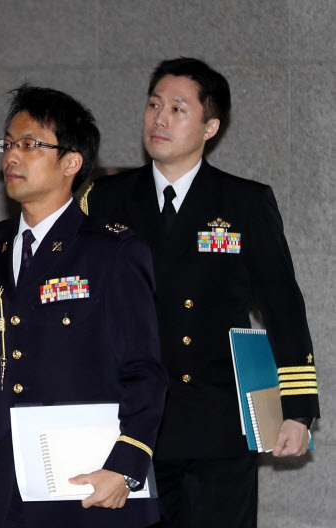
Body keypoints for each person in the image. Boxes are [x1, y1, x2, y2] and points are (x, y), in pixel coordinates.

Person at [81, 57, 320, 528]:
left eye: (177, 108)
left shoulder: (244, 203)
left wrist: (296, 411)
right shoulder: (106, 199)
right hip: (129, 423)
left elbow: (284, 308)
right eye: (153, 105)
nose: (160, 118)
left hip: (216, 425)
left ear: (210, 126)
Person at [0, 84, 168, 527]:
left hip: (85, 478)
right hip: (1, 478)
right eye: (8, 143)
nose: (12, 156)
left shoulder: (111, 252)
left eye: (30, 145)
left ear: (71, 162)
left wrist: (125, 465)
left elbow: (144, 370)